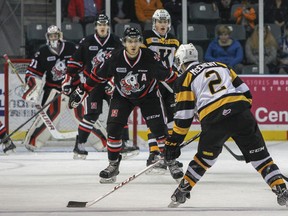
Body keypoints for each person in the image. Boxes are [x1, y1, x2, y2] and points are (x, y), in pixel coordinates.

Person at [163, 43, 288, 207]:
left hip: (214, 121)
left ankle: (182, 191)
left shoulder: (184, 78)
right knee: (261, 158)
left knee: (203, 159)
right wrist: (235, 112)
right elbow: (247, 94)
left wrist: (173, 143)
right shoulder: (222, 65)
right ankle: (280, 188)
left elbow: (183, 118)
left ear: (180, 61)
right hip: (241, 114)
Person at [68, 27, 178, 183]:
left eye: (135, 41)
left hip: (149, 96)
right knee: (113, 129)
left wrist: (185, 91)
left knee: (159, 130)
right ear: (124, 43)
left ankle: (171, 162)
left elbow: (170, 77)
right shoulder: (115, 57)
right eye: (129, 41)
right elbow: (97, 76)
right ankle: (113, 164)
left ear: (140, 42)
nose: (133, 45)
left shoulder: (150, 57)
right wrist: (82, 90)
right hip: (122, 97)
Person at [63, 14, 139, 160]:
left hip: (112, 84)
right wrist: (68, 80)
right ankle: (80, 144)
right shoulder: (87, 41)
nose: (103, 27)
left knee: (120, 113)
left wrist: (116, 80)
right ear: (96, 26)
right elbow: (75, 62)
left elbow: (123, 62)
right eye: (100, 25)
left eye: (105, 25)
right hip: (94, 84)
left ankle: (124, 142)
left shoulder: (116, 41)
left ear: (108, 26)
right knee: (92, 114)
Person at [22, 25, 84, 152]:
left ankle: (101, 142)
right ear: (48, 37)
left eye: (55, 35)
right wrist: (31, 83)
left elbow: (83, 64)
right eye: (51, 36)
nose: (53, 38)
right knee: (47, 117)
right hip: (52, 90)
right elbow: (33, 71)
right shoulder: (42, 51)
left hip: (73, 87)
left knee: (83, 116)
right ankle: (34, 141)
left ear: (60, 35)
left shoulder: (71, 47)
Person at [142, 9, 182, 179]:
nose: (163, 24)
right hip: (153, 83)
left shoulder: (174, 40)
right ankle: (153, 154)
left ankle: (169, 153)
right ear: (154, 23)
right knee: (156, 118)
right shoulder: (147, 37)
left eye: (165, 21)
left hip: (170, 83)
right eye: (160, 21)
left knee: (173, 119)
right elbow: (142, 58)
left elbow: (178, 62)